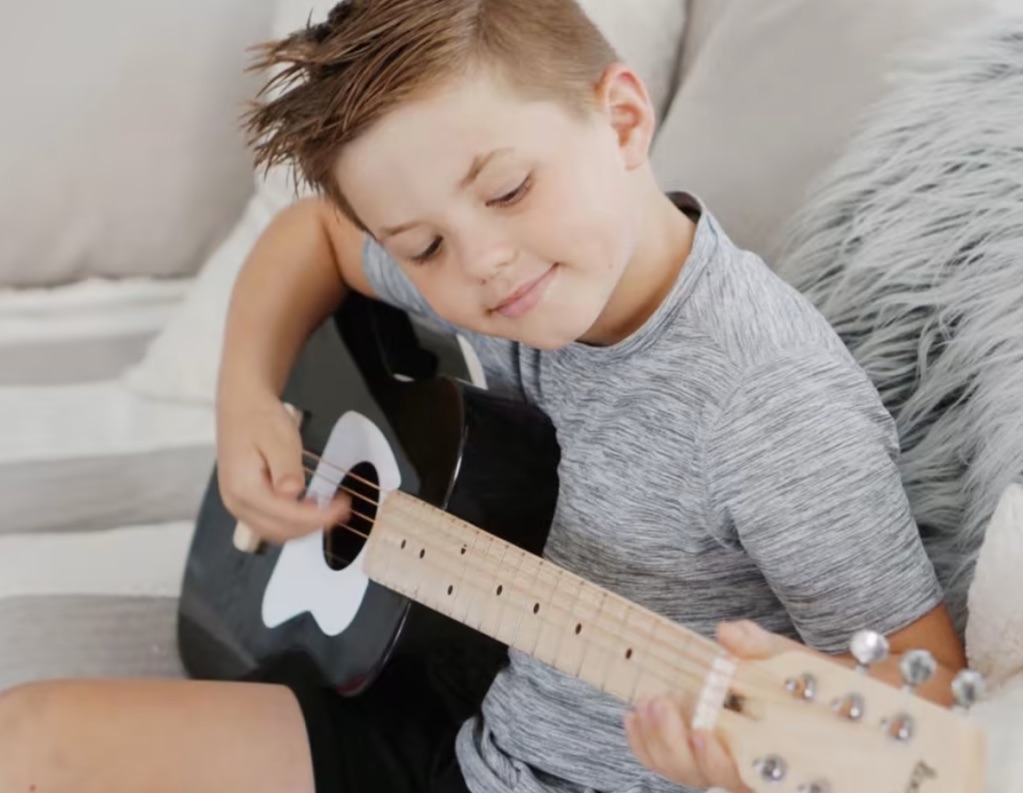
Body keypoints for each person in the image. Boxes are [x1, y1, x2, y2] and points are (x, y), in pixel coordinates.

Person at [0, 2, 966, 792]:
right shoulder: (515, 277)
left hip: (568, 772)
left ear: (624, 120)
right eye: (420, 247)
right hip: (449, 704)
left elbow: (918, 707)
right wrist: (244, 396)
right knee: (27, 739)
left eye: (506, 190)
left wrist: (741, 771)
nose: (480, 264)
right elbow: (315, 237)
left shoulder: (771, 404)